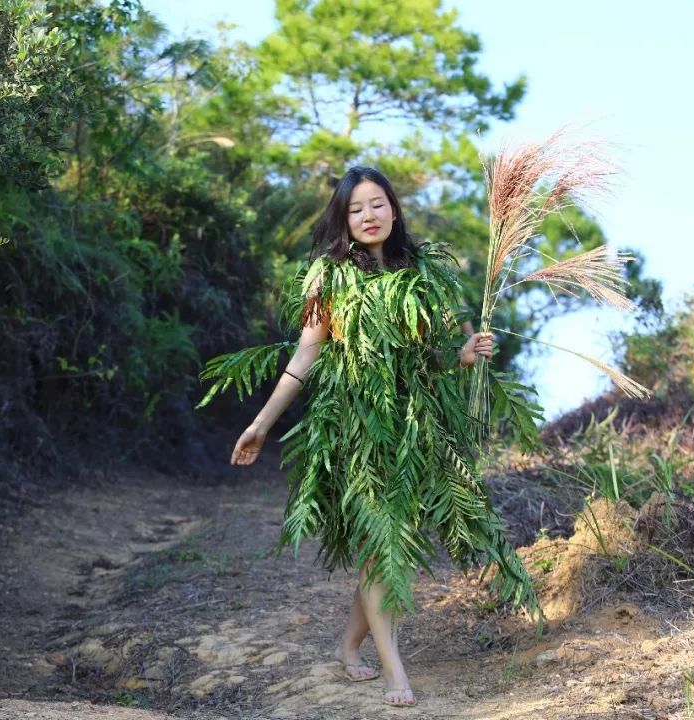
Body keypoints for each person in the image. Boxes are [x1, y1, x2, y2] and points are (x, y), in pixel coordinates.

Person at [210, 167, 533, 708]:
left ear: (395, 209)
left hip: (415, 427)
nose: (368, 215)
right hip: (354, 427)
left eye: (378, 204)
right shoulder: (328, 276)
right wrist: (260, 424)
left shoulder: (420, 272)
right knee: (381, 543)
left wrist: (462, 353)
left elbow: (422, 359)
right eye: (356, 208)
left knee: (391, 548)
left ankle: (348, 645)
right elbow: (305, 356)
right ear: (343, 218)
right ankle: (393, 669)